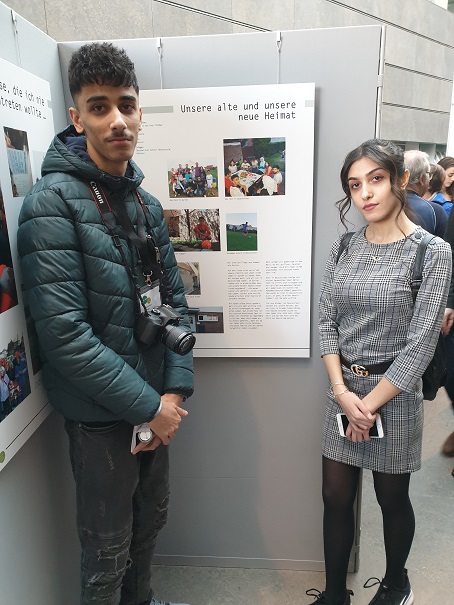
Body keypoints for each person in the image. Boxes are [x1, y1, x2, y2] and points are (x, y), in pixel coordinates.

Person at [17, 42, 194, 605]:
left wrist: (172, 393)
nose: (118, 120)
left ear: (140, 111)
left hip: (155, 406)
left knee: (150, 521)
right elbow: (65, 337)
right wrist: (150, 408)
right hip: (101, 419)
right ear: (77, 118)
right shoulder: (51, 204)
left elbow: (175, 302)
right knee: (106, 550)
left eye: (126, 105)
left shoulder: (144, 203)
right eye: (100, 107)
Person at [314, 139, 451, 605]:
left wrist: (368, 406)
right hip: (343, 390)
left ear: (401, 180)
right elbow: (326, 322)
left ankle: (396, 585)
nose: (365, 194)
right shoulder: (344, 246)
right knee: (335, 496)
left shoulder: (430, 252)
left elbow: (421, 343)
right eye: (355, 185)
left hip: (394, 394)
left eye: (376, 179)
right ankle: (335, 594)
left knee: (390, 499)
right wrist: (342, 393)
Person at [404, 150, 447, 238]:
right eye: (428, 174)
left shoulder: (382, 205)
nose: (430, 178)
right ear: (421, 178)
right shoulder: (436, 212)